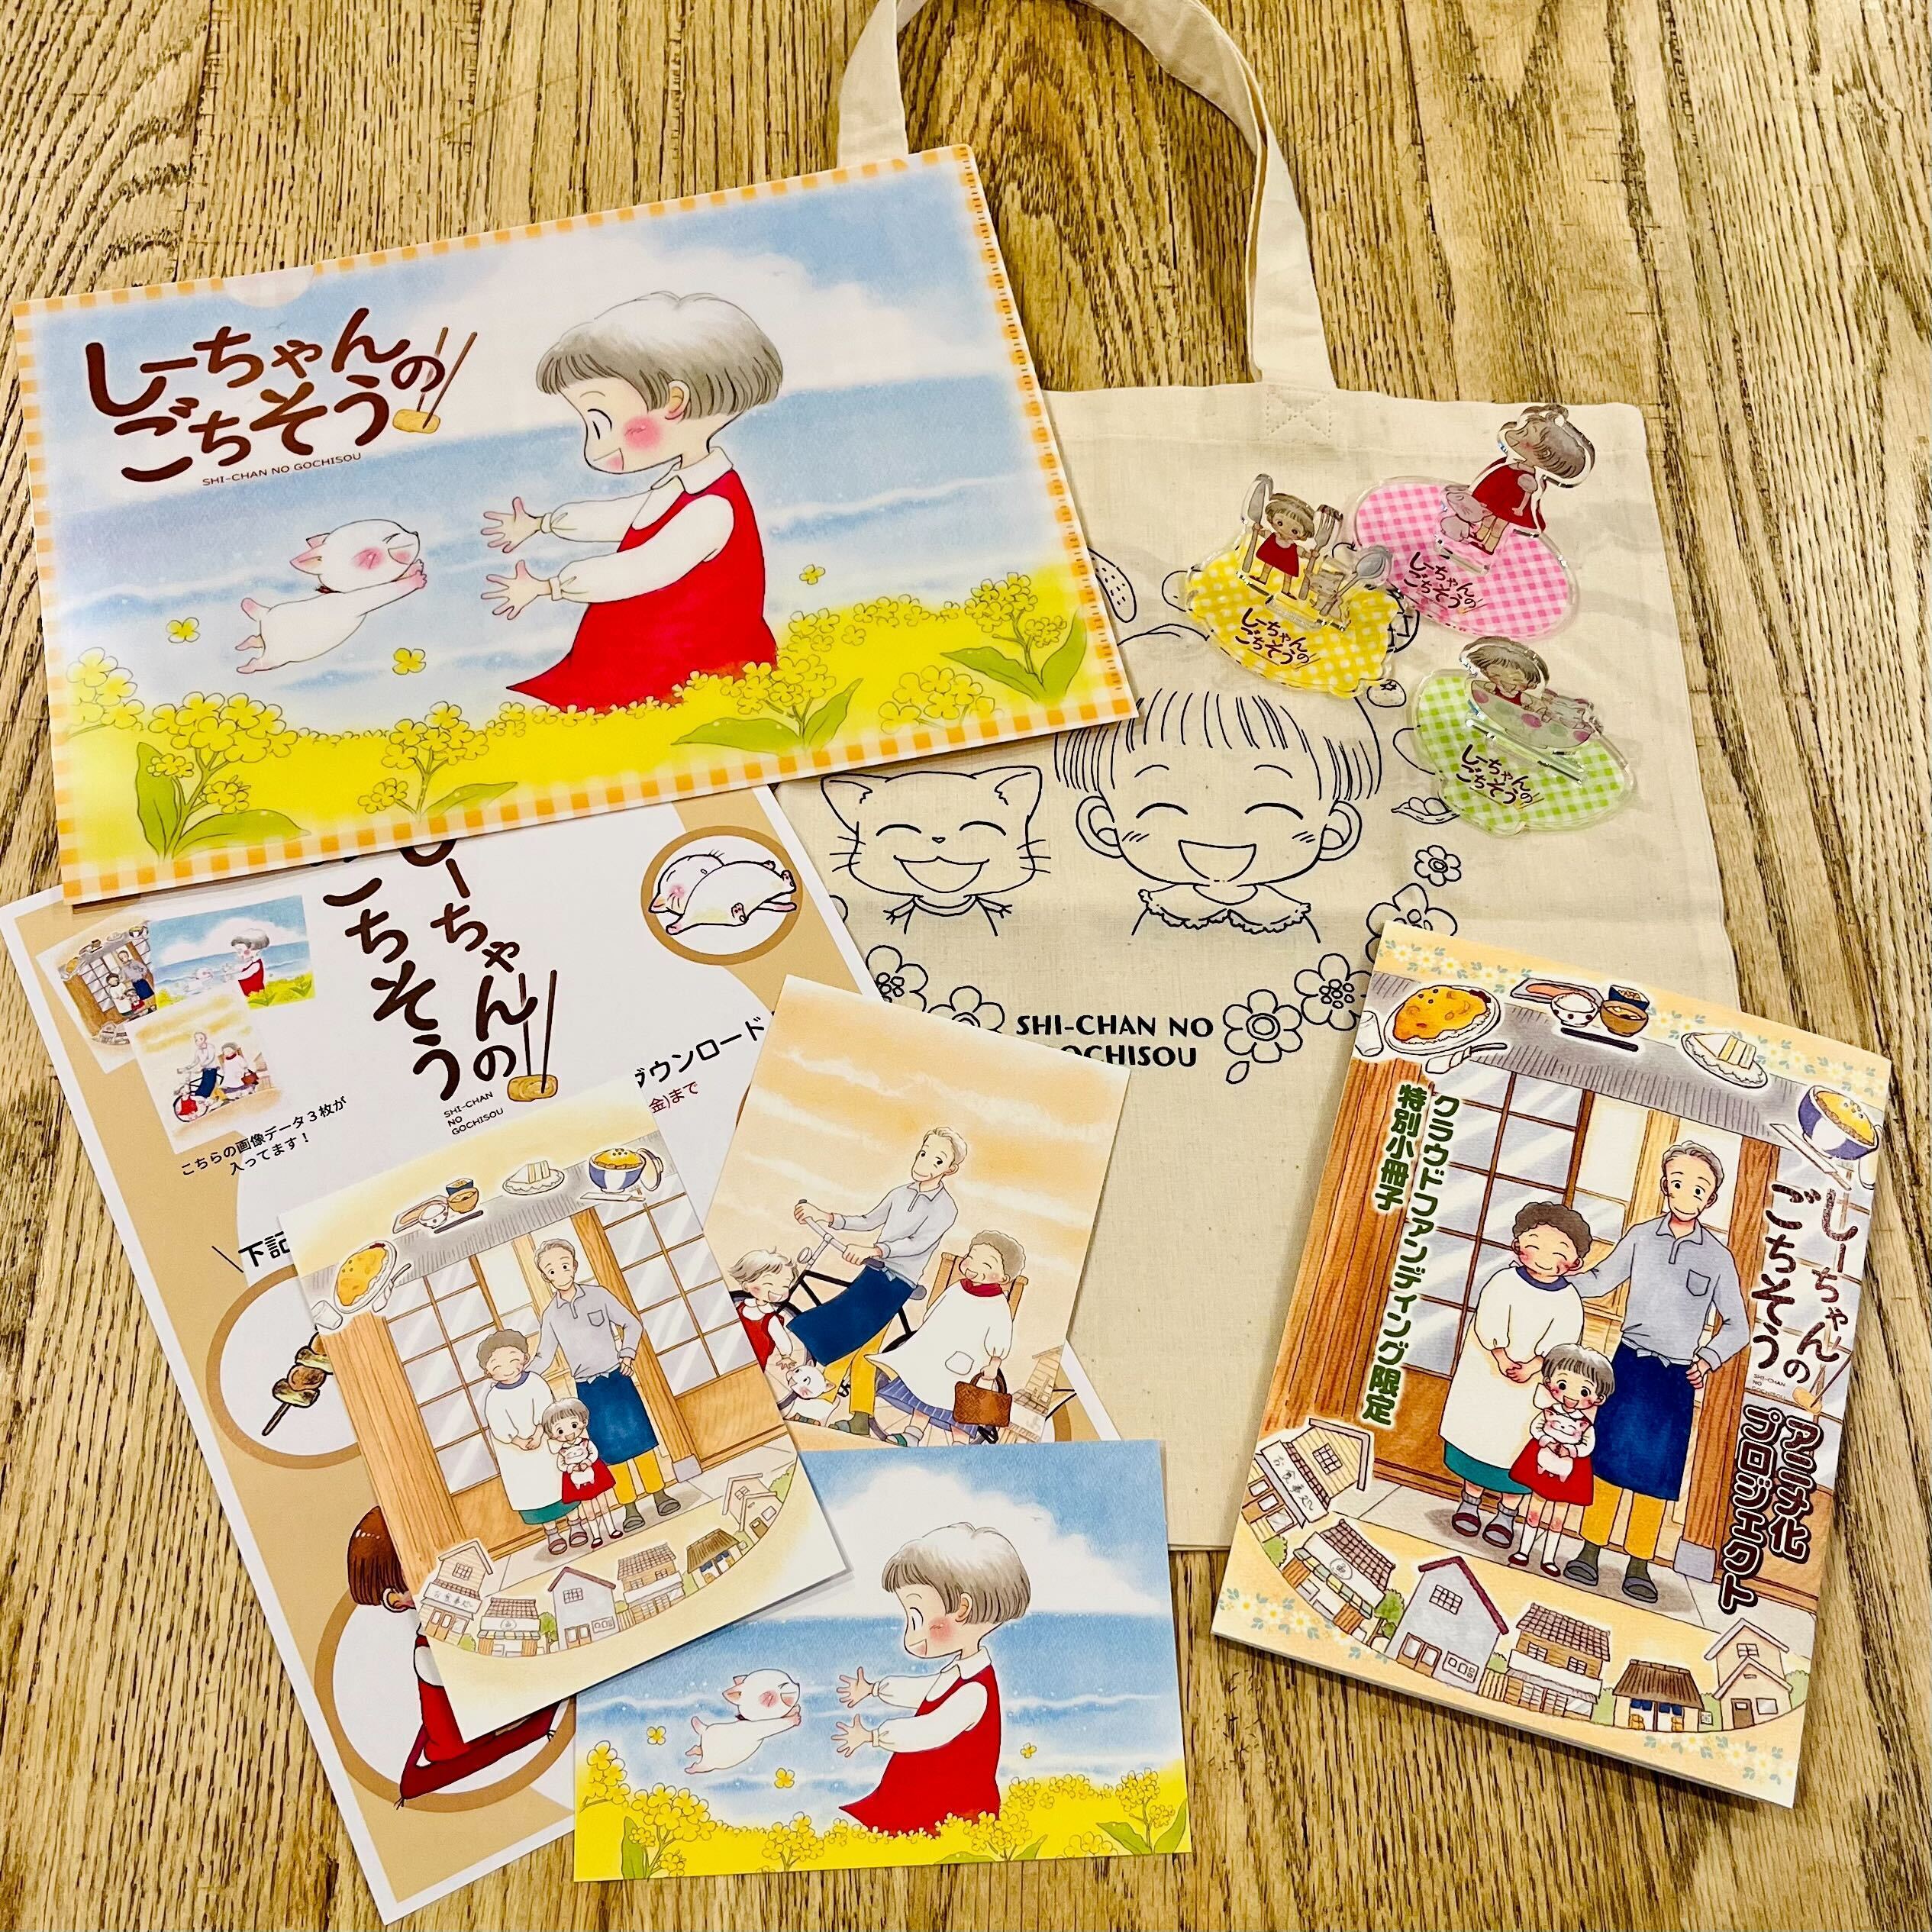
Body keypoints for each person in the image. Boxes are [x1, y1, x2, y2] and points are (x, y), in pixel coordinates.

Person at [482, 291, 783, 708]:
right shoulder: (680, 487)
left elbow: (642, 569)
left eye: (601, 424)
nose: (594, 450)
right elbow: (621, 516)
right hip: (638, 666)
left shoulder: (713, 508)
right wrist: (542, 524)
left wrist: (550, 587)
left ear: (675, 403)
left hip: (681, 675)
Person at [1564, 1141, 1750, 1603]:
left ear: (1711, 1198)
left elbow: (1739, 1326)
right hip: (1628, 1366)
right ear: (1665, 1185)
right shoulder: (1641, 1237)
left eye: (1699, 1188)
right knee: (1606, 1460)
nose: (1687, 1193)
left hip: (1676, 1379)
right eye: (1678, 1182)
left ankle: (1639, 1565)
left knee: (1656, 1475)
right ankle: (1589, 1550)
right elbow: (1601, 1280)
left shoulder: (1718, 1258)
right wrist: (1556, 1280)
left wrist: (1707, 1358)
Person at [1054, 679, 1381, 937]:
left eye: (1270, 804)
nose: (1218, 830)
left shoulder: (1290, 915)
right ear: (1104, 826)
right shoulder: (1156, 909)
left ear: (1334, 830)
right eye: (1164, 803)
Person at [344, 1507, 556, 1803]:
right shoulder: (427, 1650)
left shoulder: (446, 1620)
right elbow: (476, 1687)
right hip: (462, 1738)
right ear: (395, 1599)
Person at [834, 1522, 1031, 1834]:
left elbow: (931, 1730)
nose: (909, 1638)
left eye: (917, 1619)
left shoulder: (975, 1692)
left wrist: (874, 1736)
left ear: (962, 1609)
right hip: (919, 1800)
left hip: (947, 1812)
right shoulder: (958, 1674)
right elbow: (924, 1691)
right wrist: (875, 1690)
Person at [1437, 1201, 1594, 1553]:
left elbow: (1562, 1345)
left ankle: (1507, 1513)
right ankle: (1470, 1501)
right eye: (1535, 1243)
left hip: (1533, 1385)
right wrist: (1501, 1355)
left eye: (1559, 1250)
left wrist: (1534, 1366)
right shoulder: (1503, 1282)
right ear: (1518, 1244)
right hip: (1489, 1374)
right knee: (1478, 1437)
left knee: (1518, 1447)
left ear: (1575, 1262)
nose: (1544, 1256)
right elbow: (1488, 1321)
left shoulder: (1569, 1300)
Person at [789, 1130, 966, 1437]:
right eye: (924, 1153)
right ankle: (859, 1418)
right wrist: (826, 1216)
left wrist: (875, 1250)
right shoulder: (901, 1193)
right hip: (875, 1271)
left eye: (937, 1160)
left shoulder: (945, 1208)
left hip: (897, 1280)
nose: (925, 1162)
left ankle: (818, 1406)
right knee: (865, 1348)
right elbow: (868, 1220)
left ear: (949, 1169)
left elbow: (918, 1243)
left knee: (849, 1337)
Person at [530, 1238, 678, 1525]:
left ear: (574, 1266)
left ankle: (660, 1494)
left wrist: (627, 1354)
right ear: (546, 1277)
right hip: (588, 1389)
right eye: (551, 1270)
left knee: (640, 1439)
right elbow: (544, 1356)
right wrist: (523, 1376)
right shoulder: (550, 1316)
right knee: (609, 1450)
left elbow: (632, 1323)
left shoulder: (599, 1295)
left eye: (564, 1265)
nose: (560, 1273)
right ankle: (629, 1507)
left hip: (617, 1378)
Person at [870, 1230, 1024, 1444]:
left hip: (966, 1361)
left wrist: (994, 1363)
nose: (974, 1266)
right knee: (923, 1391)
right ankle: (912, 1434)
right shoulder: (957, 1288)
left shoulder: (997, 1304)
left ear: (1003, 1278)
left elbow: (1000, 1337)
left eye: (986, 1264)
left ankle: (959, 1445)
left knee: (958, 1406)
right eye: (972, 1257)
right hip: (938, 1352)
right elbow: (933, 1312)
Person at [1508, 1342, 1616, 1577]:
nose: (1572, 1396)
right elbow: (1536, 1427)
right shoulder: (1548, 1410)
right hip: (1543, 1460)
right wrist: (1545, 1439)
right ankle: (1524, 1551)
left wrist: (1572, 1452)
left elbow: (1588, 1444)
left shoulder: (1586, 1422)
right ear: (1550, 1382)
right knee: (1534, 1510)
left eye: (1584, 1391)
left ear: (1598, 1398)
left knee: (1558, 1518)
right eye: (1563, 1385)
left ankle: (1549, 1558)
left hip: (1570, 1468)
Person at [1440, 404, 1595, 557]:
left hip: (1511, 505)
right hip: (1497, 498)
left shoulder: (1530, 479)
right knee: (1487, 517)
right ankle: (1479, 537)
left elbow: (1527, 497)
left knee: (1499, 525)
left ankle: (1489, 546)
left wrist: (1520, 509)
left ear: (1546, 454)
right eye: (1522, 430)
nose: (1515, 435)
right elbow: (1494, 480)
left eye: (1524, 435)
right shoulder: (1508, 466)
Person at [476, 1329, 575, 1555]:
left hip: (544, 1442)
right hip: (518, 1454)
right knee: (534, 1491)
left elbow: (546, 1409)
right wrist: (518, 1440)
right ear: (488, 1371)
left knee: (559, 1484)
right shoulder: (494, 1397)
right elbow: (499, 1426)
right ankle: (552, 1532)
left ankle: (575, 1523)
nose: (506, 1367)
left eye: (512, 1358)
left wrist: (539, 1433)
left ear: (525, 1358)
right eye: (497, 1363)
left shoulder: (536, 1382)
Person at [540, 1397, 623, 1550]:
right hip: (576, 1479)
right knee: (588, 1511)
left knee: (603, 1505)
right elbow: (561, 1464)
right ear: (552, 1434)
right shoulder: (562, 1451)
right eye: (560, 1431)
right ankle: (596, 1536)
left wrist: (587, 1462)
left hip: (593, 1473)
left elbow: (594, 1453)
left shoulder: (586, 1442)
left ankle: (612, 1529)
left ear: (583, 1422)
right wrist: (570, 1467)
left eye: (573, 1425)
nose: (568, 1433)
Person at [229, 930, 269, 998]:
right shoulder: (250, 962)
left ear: (252, 947)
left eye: (241, 951)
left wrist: (232, 977)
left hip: (257, 994)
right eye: (238, 952)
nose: (240, 955)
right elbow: (242, 968)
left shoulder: (256, 964)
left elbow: (245, 975)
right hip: (249, 995)